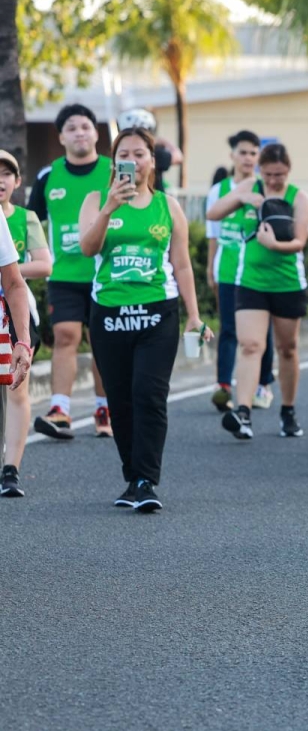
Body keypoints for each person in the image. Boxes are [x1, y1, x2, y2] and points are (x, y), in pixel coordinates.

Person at [78, 127, 209, 511]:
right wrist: (109, 208)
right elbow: (88, 248)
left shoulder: (169, 207)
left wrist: (194, 317)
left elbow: (181, 264)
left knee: (149, 395)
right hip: (109, 314)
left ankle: (145, 480)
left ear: (152, 161)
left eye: (140, 153)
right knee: (120, 399)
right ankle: (131, 476)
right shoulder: (96, 199)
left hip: (157, 312)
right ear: (113, 161)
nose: (132, 161)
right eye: (124, 154)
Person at [208, 143, 308, 440]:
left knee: (287, 349)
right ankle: (243, 412)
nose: (273, 180)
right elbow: (214, 214)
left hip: (288, 282)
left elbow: (301, 241)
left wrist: (275, 245)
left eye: (279, 174)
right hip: (250, 281)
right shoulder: (248, 186)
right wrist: (242, 197)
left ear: (288, 170)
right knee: (251, 345)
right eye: (267, 174)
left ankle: (288, 411)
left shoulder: (298, 197)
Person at [26, 104, 110, 439]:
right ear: (61, 136)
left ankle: (105, 407)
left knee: (101, 342)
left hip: (106, 274)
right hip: (63, 275)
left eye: (85, 126)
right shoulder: (48, 176)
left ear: (96, 133)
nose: (79, 133)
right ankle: (60, 409)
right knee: (65, 337)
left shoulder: (114, 171)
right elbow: (30, 223)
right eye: (72, 128)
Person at [205, 130, 275, 412]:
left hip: (256, 274)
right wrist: (211, 270)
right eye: (243, 152)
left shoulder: (264, 188)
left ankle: (263, 384)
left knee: (260, 332)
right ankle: (223, 385)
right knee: (229, 329)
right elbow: (213, 234)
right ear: (232, 155)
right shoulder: (219, 190)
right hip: (228, 271)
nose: (248, 158)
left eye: (253, 153)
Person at [0, 151, 39, 498]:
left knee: (16, 389)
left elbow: (16, 282)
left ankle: (10, 466)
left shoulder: (23, 218)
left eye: (5, 173)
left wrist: (22, 340)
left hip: (9, 317)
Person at [114, 108, 182, 191]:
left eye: (139, 155)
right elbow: (178, 156)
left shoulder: (155, 154)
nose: (132, 160)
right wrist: (160, 141)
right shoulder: (157, 154)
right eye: (124, 155)